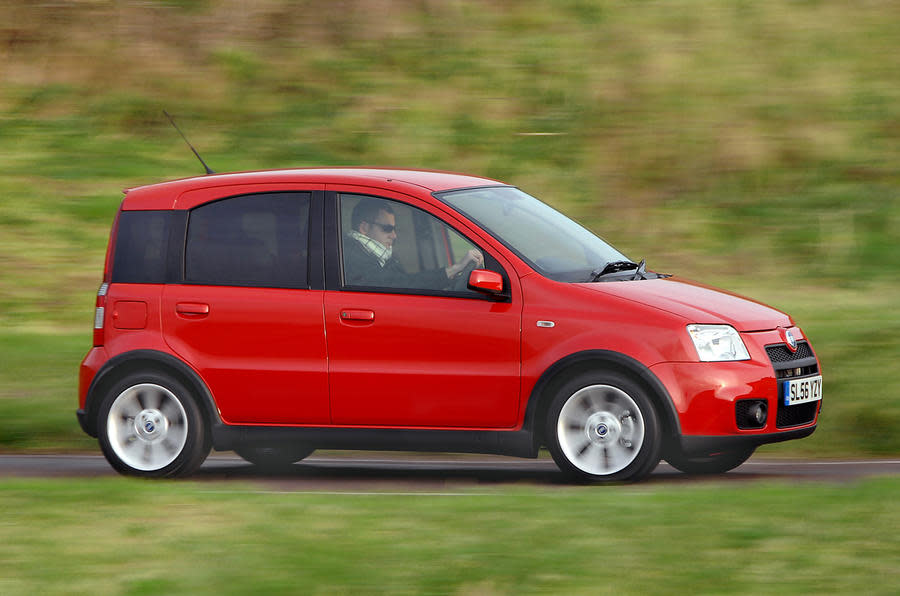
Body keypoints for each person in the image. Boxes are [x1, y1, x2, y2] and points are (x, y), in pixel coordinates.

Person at [343, 198, 484, 289]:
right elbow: (399, 284)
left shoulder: (383, 257)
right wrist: (454, 269)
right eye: (387, 229)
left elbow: (403, 282)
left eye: (394, 229)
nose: (394, 235)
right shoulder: (351, 258)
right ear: (364, 228)